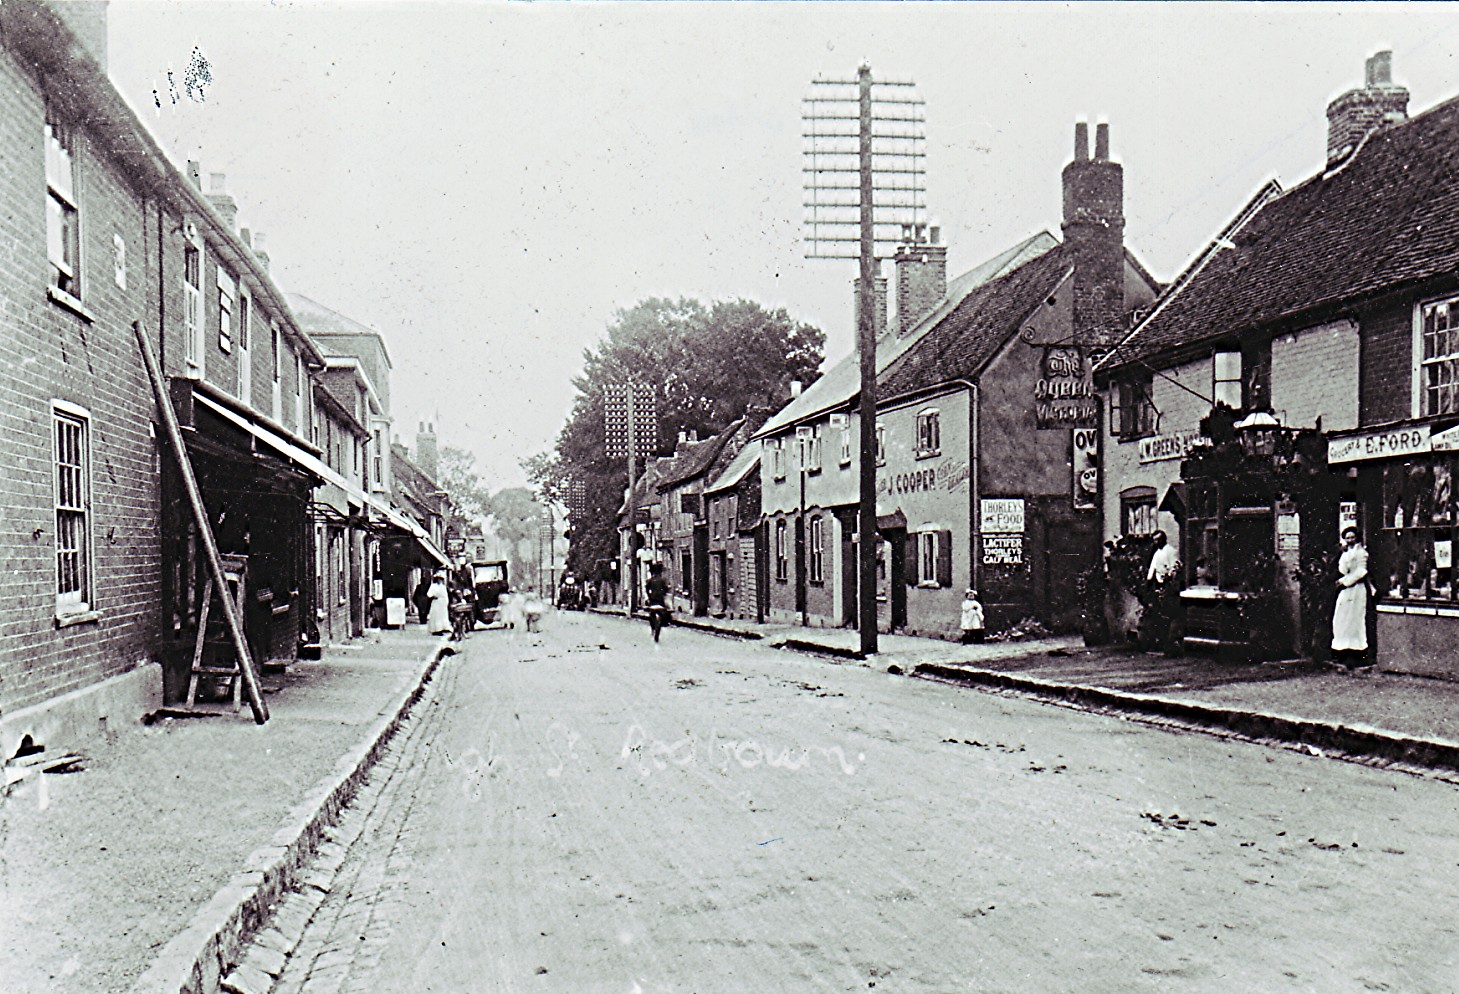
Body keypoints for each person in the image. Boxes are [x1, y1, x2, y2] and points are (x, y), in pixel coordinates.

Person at [1332, 526, 1371, 670]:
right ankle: (1342, 651)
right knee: (1342, 619)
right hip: (1346, 590)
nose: (1350, 540)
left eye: (1352, 537)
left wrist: (1344, 581)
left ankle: (1357, 654)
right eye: (1347, 538)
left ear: (1357, 538)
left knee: (1355, 620)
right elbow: (1342, 569)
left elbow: (1361, 571)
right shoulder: (1346, 553)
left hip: (1356, 589)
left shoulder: (1361, 553)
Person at [1142, 531, 1182, 653]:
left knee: (1167, 614)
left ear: (1164, 539)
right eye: (1154, 540)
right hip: (1158, 585)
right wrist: (1148, 583)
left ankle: (1168, 643)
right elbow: (1152, 569)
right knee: (1157, 614)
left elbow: (1174, 568)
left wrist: (1169, 579)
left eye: (1158, 540)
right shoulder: (1157, 552)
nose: (1156, 542)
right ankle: (1158, 642)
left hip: (1168, 586)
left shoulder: (1171, 551)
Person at [645, 562, 670, 642]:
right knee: (664, 612)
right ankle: (664, 623)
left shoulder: (650, 580)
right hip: (660, 600)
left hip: (653, 600)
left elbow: (646, 589)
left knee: (651, 615)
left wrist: (649, 596)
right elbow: (666, 589)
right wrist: (664, 593)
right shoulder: (662, 580)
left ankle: (653, 628)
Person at [426, 570, 450, 636]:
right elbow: (429, 594)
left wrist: (446, 603)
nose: (440, 580)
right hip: (436, 602)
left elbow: (445, 595)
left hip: (442, 603)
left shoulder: (443, 586)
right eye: (439, 579)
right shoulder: (433, 586)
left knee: (442, 616)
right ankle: (436, 630)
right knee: (436, 616)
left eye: (441, 579)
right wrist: (433, 596)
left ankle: (443, 628)